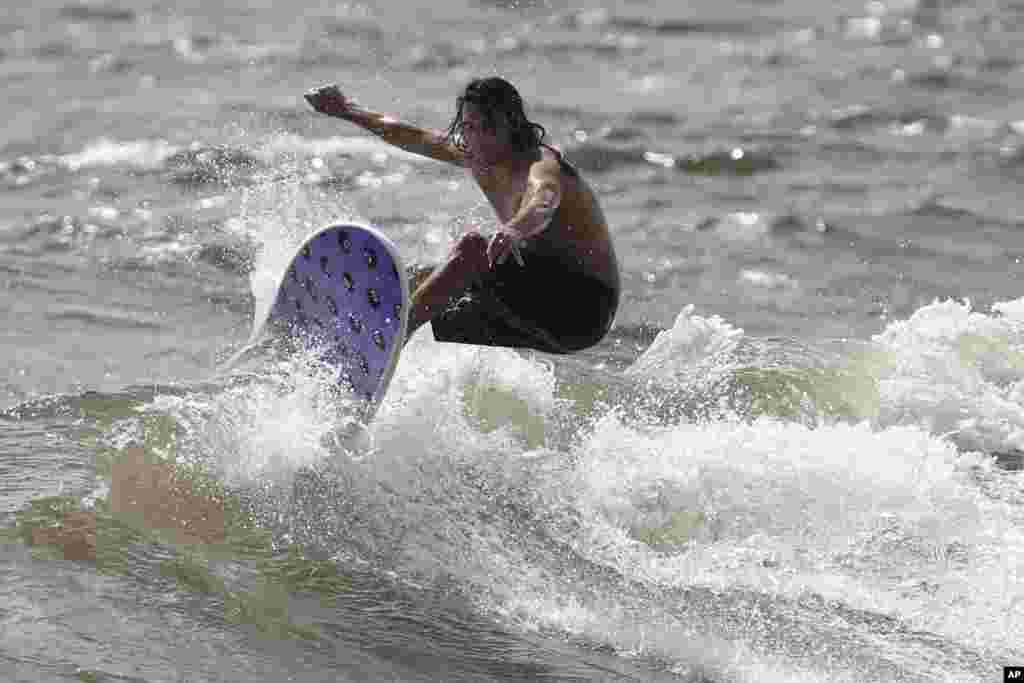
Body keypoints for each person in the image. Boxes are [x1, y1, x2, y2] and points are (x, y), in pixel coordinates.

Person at [304, 77, 619, 354]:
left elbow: (544, 200)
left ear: (511, 125)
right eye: (469, 127)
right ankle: (338, 331)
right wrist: (345, 109)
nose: (477, 139)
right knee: (421, 281)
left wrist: (514, 230)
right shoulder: (476, 155)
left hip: (583, 308)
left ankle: (390, 341)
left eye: (488, 128)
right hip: (541, 305)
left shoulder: (540, 164)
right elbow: (409, 135)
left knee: (471, 249)